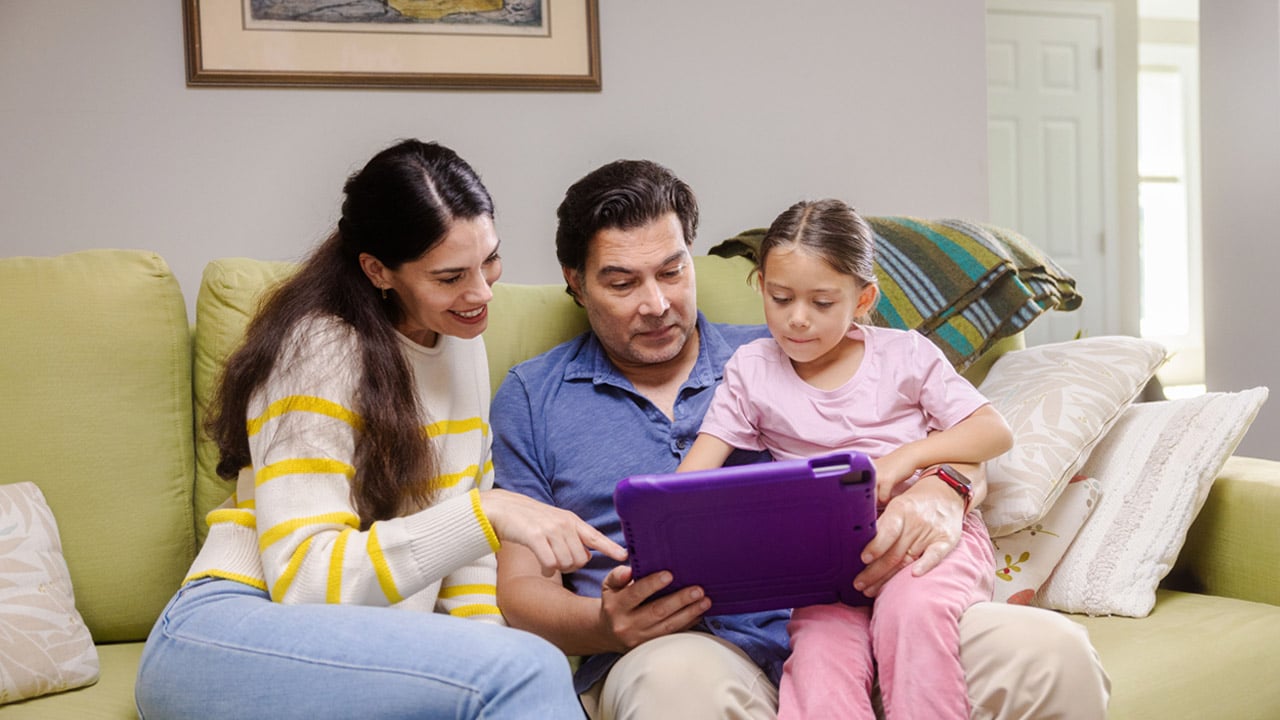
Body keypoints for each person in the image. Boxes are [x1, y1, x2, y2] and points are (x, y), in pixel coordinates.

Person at [492, 158, 1111, 720]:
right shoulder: (533, 397)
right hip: (688, 650)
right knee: (676, 686)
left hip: (869, 615)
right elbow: (521, 591)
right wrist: (607, 626)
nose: (656, 304)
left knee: (1052, 653)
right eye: (622, 283)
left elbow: (953, 442)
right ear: (575, 283)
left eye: (673, 271)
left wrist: (944, 491)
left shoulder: (788, 348)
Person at [134, 139, 626, 719]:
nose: (481, 293)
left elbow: (466, 565)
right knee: (526, 667)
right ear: (377, 270)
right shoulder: (319, 350)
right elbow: (305, 582)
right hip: (228, 630)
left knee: (518, 659)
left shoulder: (459, 339)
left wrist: (489, 638)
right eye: (449, 277)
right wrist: (484, 515)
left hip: (356, 645)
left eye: (489, 260)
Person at [676, 197, 1014, 719]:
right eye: (781, 297)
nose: (798, 320)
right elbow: (695, 473)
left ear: (863, 299)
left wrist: (908, 457)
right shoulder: (751, 369)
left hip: (924, 540)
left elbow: (993, 431)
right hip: (827, 561)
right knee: (818, 658)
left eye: (822, 303)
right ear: (760, 284)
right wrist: (661, 523)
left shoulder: (905, 355)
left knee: (912, 613)